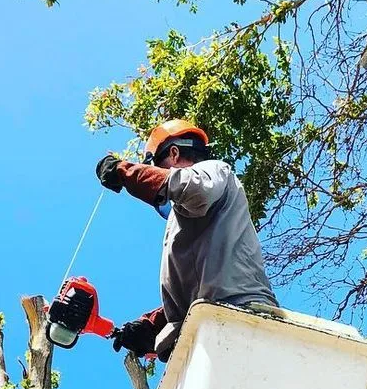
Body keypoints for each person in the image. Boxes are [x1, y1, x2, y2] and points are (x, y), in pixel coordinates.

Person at [95, 119, 278, 360]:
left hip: (243, 316)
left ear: (173, 153)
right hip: (213, 325)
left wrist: (125, 171)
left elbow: (194, 188)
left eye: (157, 166)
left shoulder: (214, 171)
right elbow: (197, 286)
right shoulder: (193, 225)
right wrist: (153, 327)